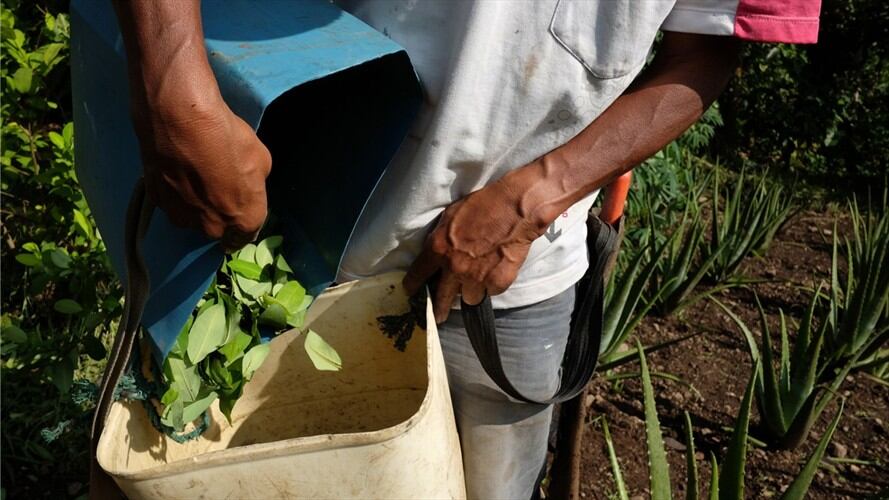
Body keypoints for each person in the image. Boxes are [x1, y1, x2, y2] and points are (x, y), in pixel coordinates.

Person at [111, 1, 821, 498]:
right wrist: (173, 90)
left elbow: (708, 50)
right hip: (272, 233)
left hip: (506, 284)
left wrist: (533, 199)